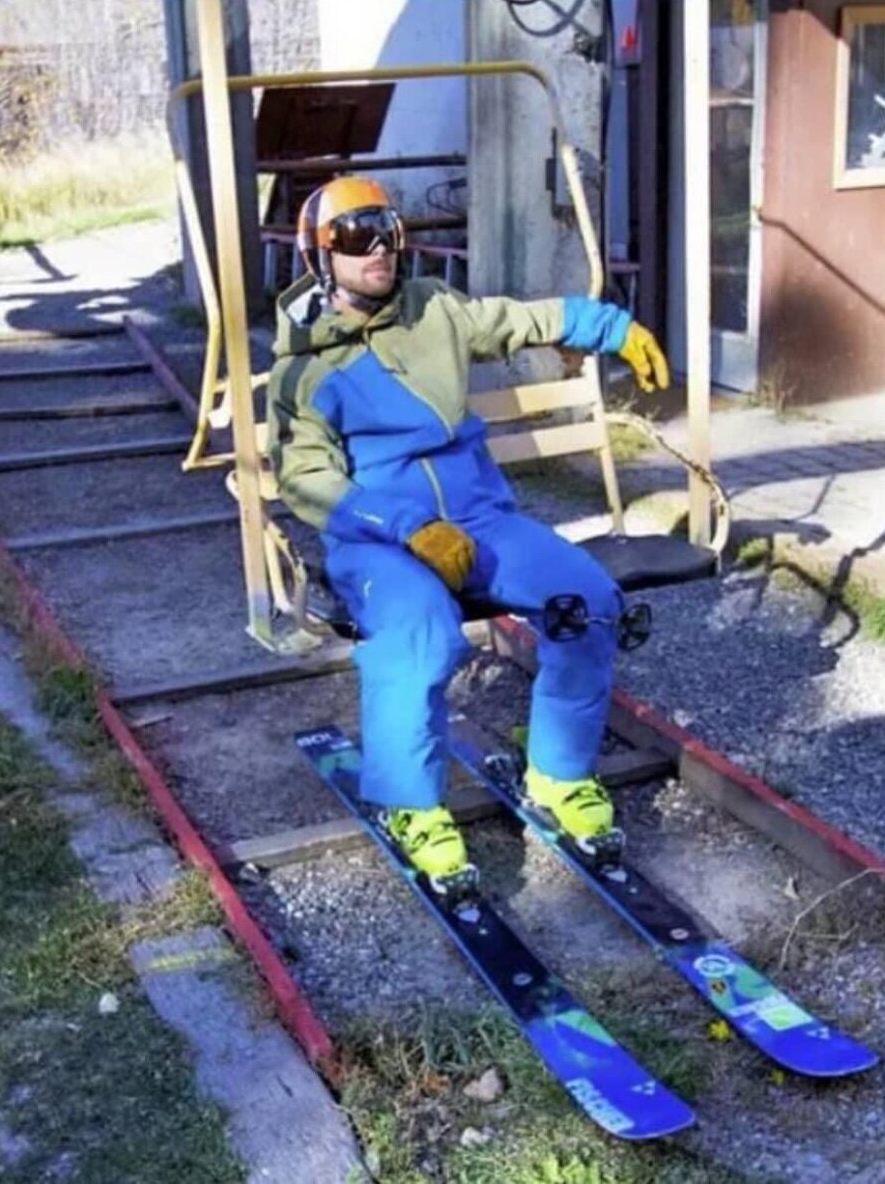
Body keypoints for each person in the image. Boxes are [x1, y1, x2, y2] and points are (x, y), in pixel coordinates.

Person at [267, 175, 669, 886]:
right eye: (356, 237)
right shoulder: (302, 368)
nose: (379, 250)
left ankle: (558, 772)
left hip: (480, 521)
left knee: (588, 601)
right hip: (378, 542)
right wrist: (407, 525)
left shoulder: (434, 310)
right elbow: (305, 479)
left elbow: (517, 319)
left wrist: (609, 327)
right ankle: (411, 805)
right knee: (419, 632)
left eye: (388, 232)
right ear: (320, 255)